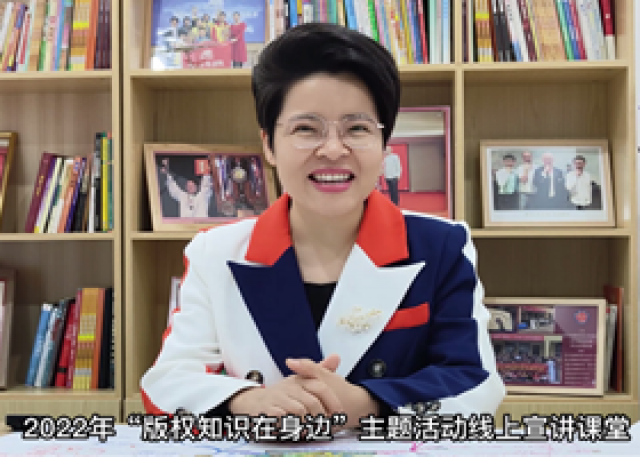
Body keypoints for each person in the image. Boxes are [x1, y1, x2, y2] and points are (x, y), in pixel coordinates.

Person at [140, 23, 504, 426]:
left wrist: (365, 404)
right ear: (268, 144)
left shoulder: (442, 245)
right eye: (306, 129)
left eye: (357, 129)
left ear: (384, 145)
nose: (332, 149)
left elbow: (477, 386)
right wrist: (249, 401)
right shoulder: (215, 252)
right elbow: (166, 384)